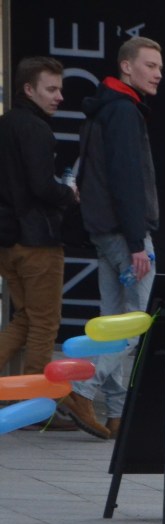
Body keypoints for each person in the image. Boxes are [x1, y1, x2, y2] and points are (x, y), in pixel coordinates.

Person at [63, 36, 164, 440]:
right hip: (126, 235)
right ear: (127, 67)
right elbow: (126, 179)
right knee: (133, 326)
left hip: (106, 231)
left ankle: (117, 415)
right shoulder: (122, 111)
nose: (158, 73)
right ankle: (81, 390)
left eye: (160, 66)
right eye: (150, 65)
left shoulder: (103, 108)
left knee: (110, 324)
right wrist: (137, 242)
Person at [0, 57, 80, 388]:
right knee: (44, 323)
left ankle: (26, 397)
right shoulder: (36, 129)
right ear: (29, 89)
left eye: (60, 89)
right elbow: (41, 186)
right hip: (37, 241)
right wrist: (68, 193)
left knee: (24, 319)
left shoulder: (4, 124)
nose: (59, 96)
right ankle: (33, 401)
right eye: (51, 89)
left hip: (7, 241)